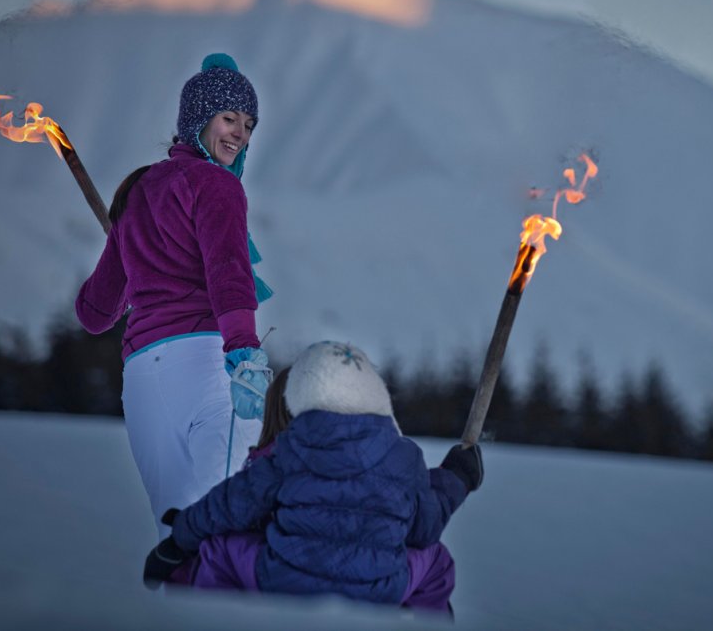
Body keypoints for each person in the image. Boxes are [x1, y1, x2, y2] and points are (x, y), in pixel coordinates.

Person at [75, 52, 274, 538]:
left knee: (177, 538)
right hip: (206, 366)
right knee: (227, 527)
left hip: (143, 379)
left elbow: (95, 312)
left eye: (249, 124)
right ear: (199, 119)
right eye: (230, 119)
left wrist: (133, 245)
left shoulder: (138, 190)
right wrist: (244, 352)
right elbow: (229, 273)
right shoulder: (217, 185)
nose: (240, 135)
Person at [143, 341, 485, 613]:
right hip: (382, 589)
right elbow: (427, 524)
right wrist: (458, 475)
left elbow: (230, 504)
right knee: (436, 559)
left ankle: (214, 618)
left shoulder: (290, 450)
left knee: (218, 549)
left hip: (285, 580)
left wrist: (181, 537)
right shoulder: (403, 457)